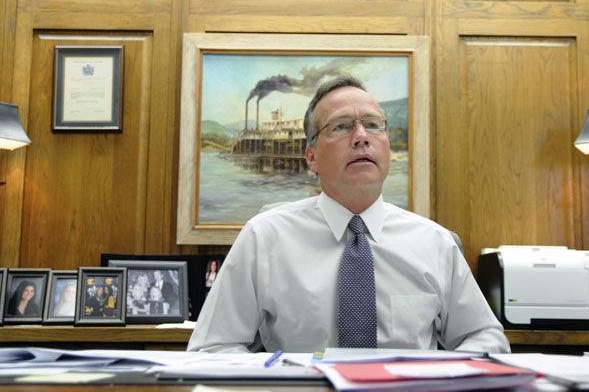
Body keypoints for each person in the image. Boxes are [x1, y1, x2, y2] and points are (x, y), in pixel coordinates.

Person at [188, 76, 510, 354]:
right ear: (311, 157)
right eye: (341, 126)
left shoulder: (435, 243)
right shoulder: (264, 237)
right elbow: (212, 347)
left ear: (386, 146)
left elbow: (484, 336)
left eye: (372, 125)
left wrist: (439, 376)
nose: (361, 136)